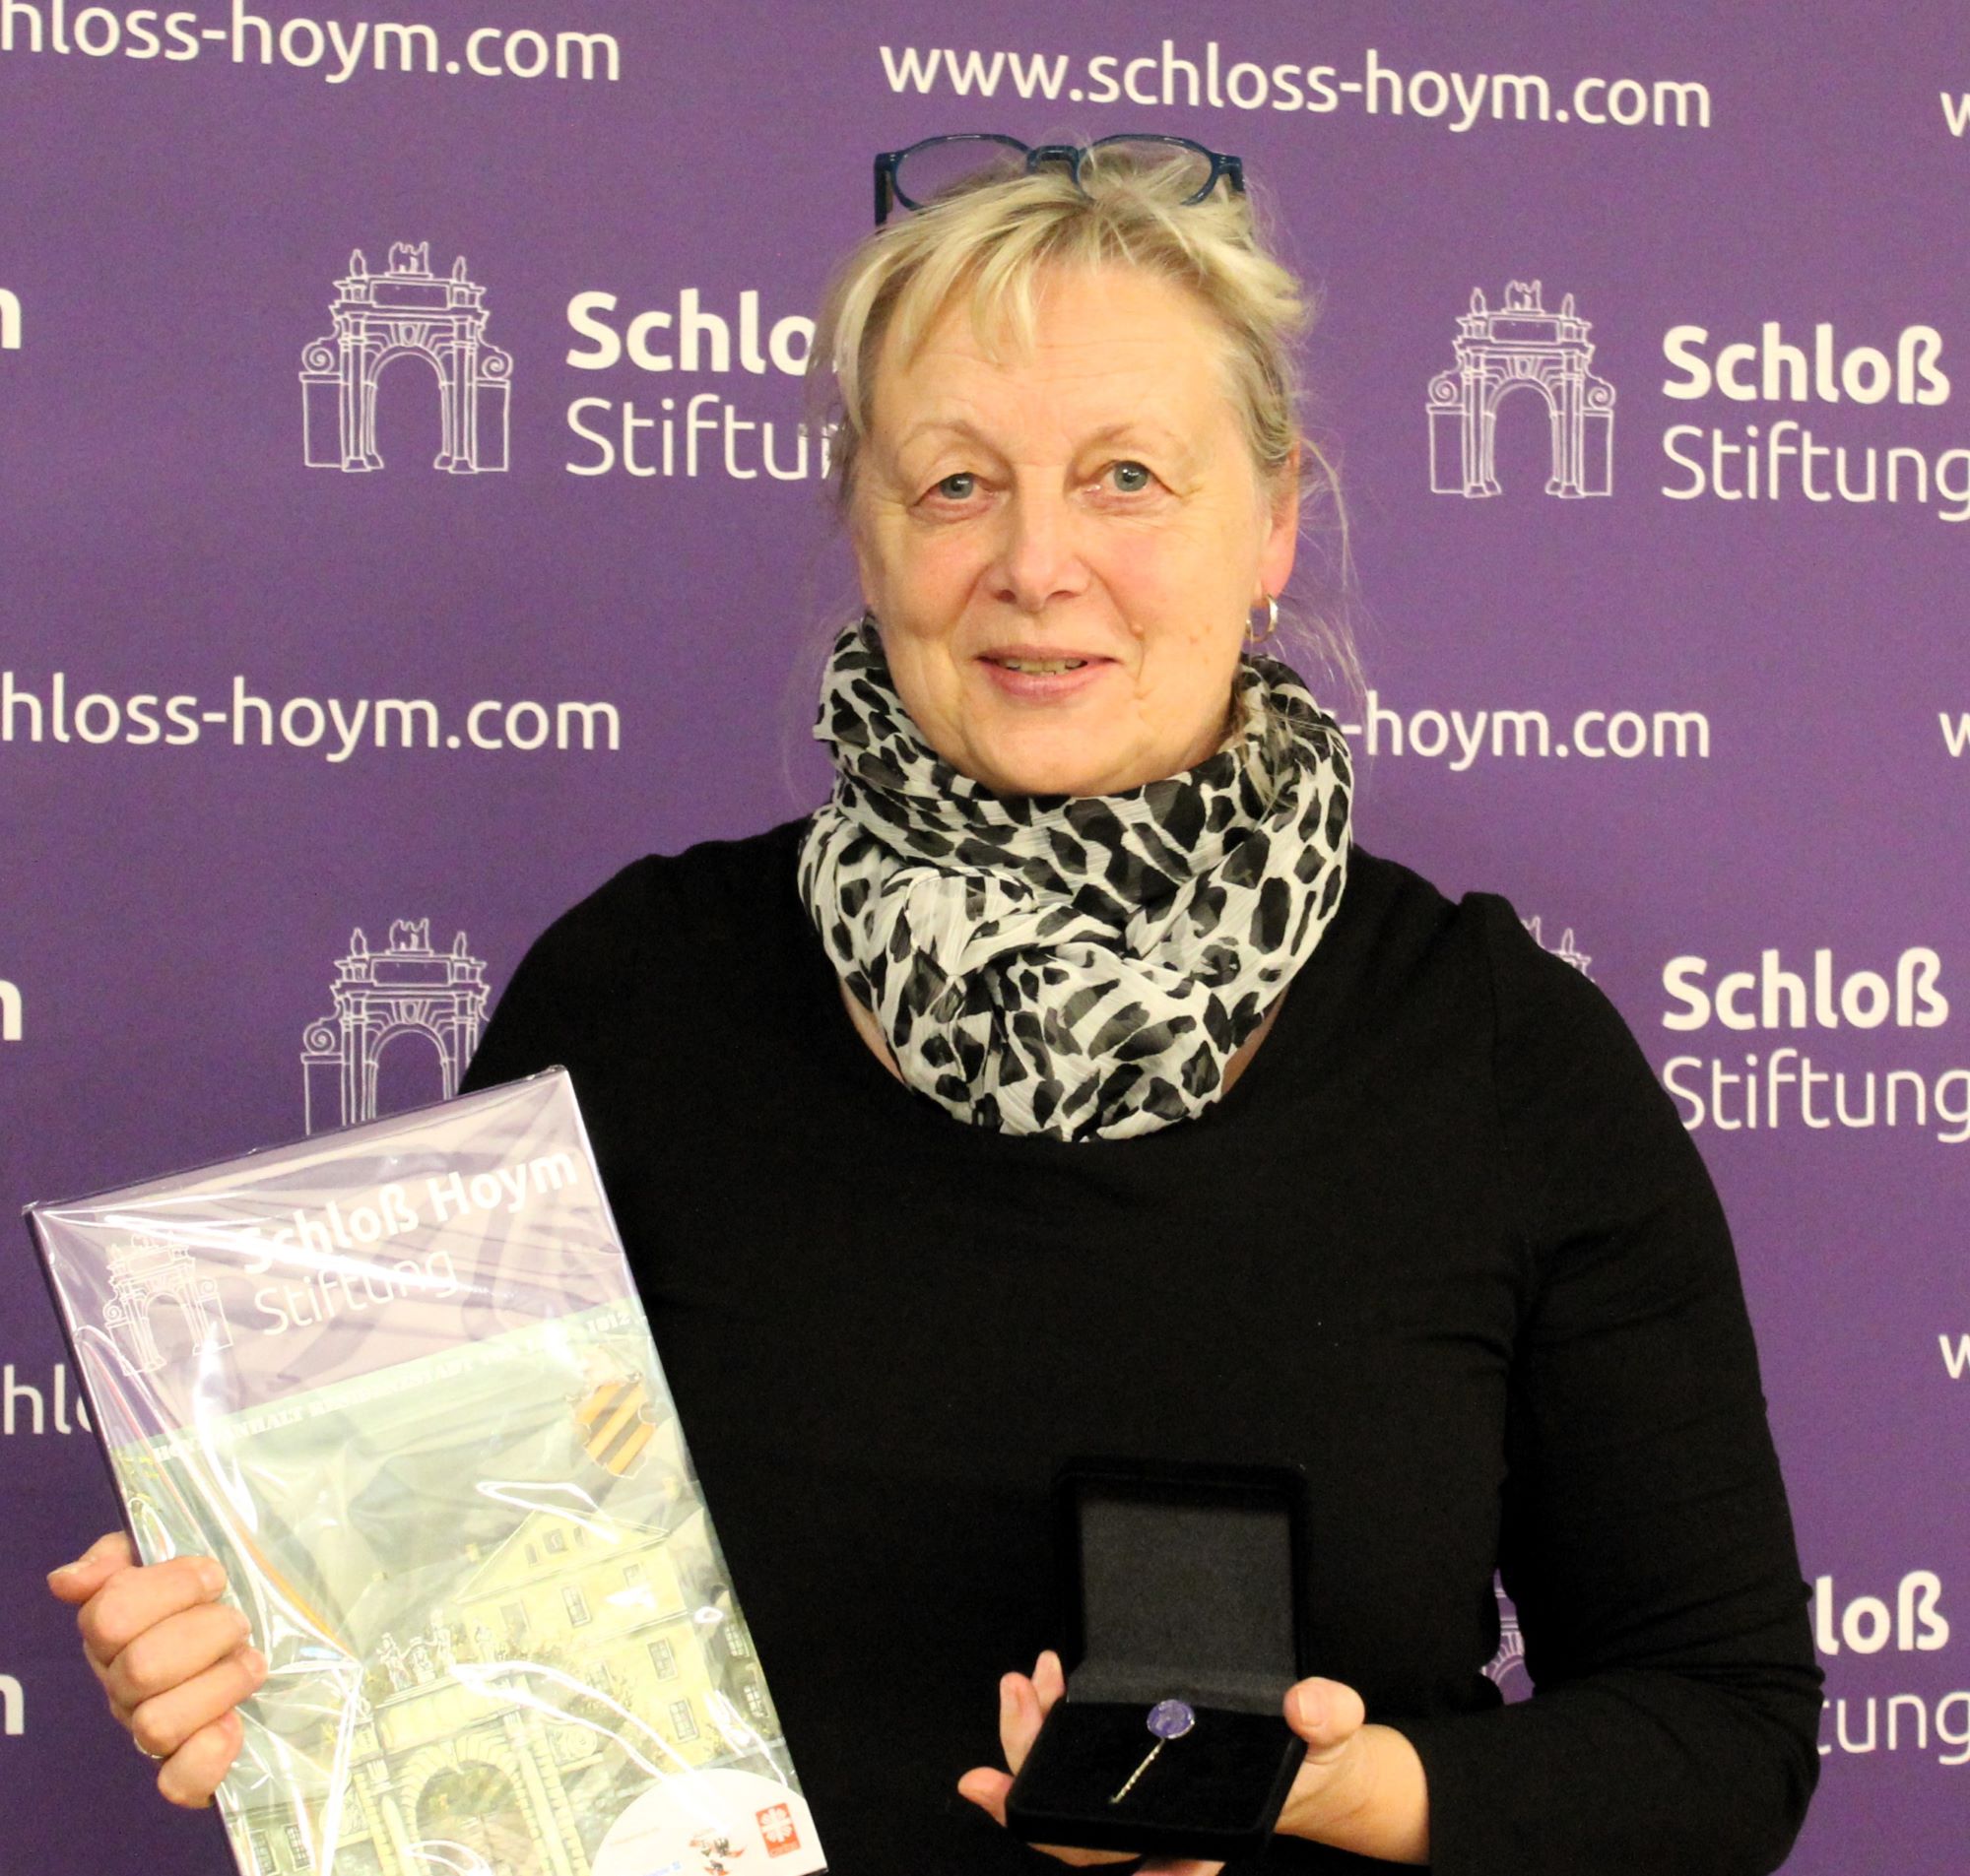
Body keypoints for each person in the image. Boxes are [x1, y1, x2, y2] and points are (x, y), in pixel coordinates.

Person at [47, 135, 1822, 1873]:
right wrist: (260, 1662)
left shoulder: (1500, 1052)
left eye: (1128, 477)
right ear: (870, 530)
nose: (1037, 563)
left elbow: (1723, 1732)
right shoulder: (636, 1000)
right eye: (957, 483)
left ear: (1275, 520)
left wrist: (1332, 1792)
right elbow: (428, 1625)